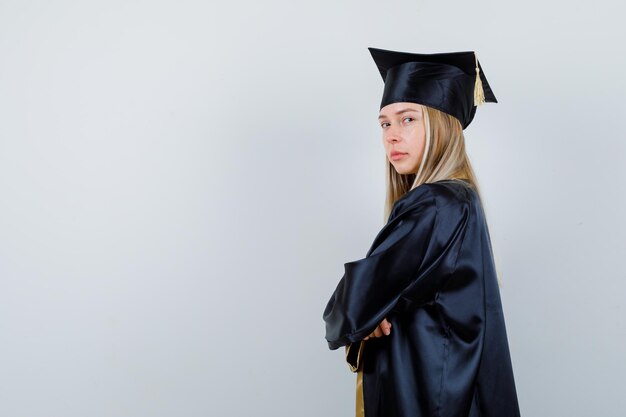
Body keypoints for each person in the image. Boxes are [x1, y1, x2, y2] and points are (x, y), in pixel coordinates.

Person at [322, 47, 522, 417]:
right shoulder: (461, 199)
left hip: (430, 396)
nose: (392, 136)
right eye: (385, 123)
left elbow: (351, 306)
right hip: (444, 390)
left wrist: (364, 315)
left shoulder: (435, 203)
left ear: (442, 125)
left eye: (408, 119)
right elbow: (364, 306)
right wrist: (367, 315)